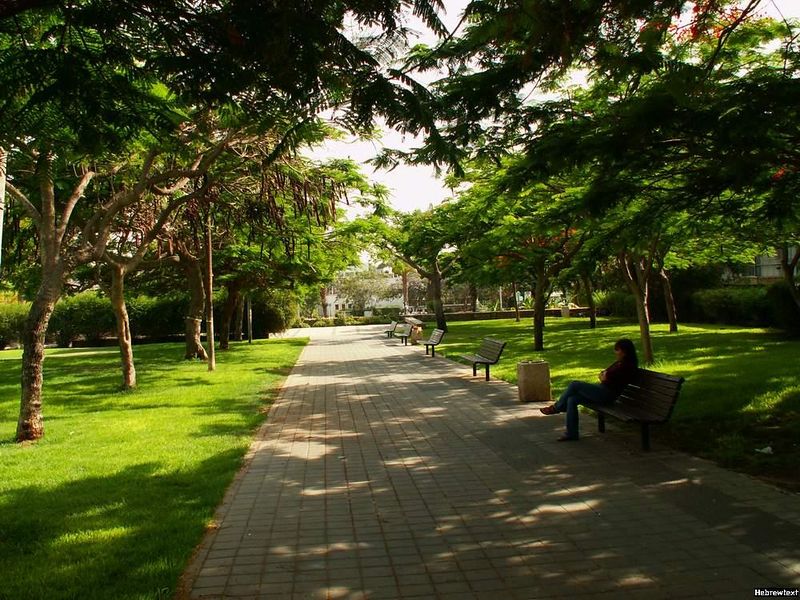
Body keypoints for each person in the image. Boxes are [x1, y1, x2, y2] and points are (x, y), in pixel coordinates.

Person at [539, 338, 639, 441]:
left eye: (617, 350)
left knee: (574, 384)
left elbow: (606, 376)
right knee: (572, 399)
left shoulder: (627, 366)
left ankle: (557, 408)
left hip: (606, 395)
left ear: (625, 351)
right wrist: (604, 376)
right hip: (602, 390)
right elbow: (603, 374)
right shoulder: (619, 363)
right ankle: (572, 434)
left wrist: (605, 376)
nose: (616, 352)